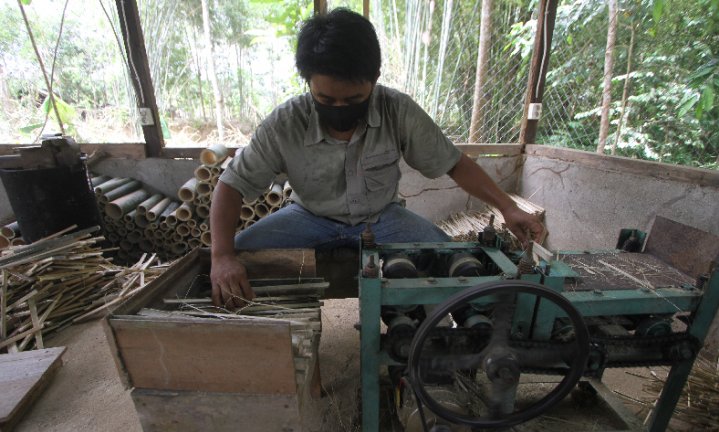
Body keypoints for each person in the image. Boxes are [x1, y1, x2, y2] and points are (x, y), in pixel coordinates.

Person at [210, 8, 543, 307]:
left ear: (374, 80)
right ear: (307, 82)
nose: (339, 108)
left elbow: (454, 163)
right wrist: (223, 255)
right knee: (232, 259)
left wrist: (508, 207)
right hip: (307, 216)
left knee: (458, 265)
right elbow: (231, 185)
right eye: (325, 98)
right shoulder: (285, 122)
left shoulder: (398, 110)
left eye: (353, 98)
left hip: (383, 217)